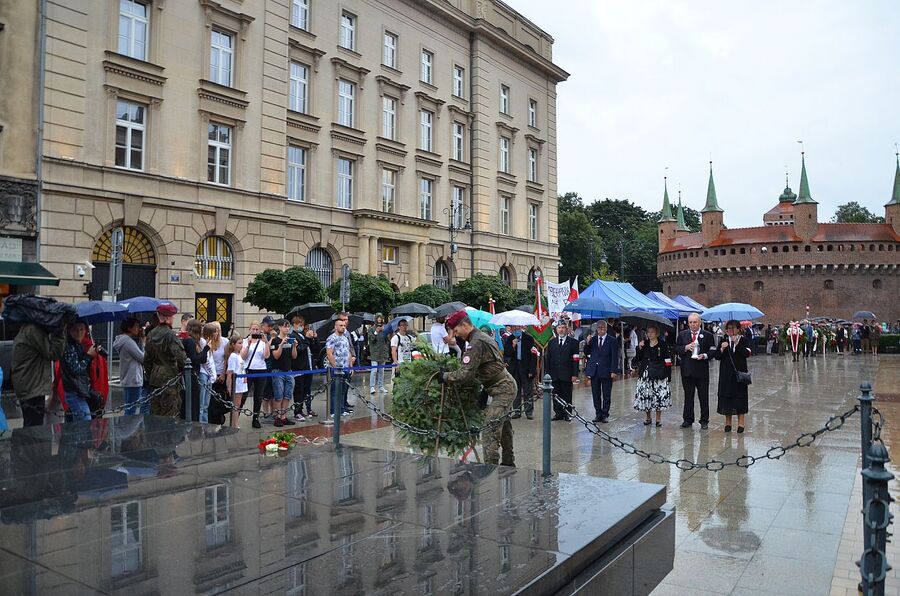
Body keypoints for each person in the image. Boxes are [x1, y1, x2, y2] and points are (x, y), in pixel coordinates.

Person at [438, 311, 516, 466]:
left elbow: (465, 374)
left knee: (490, 430)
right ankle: (508, 464)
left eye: (456, 331)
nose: (455, 335)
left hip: (503, 389)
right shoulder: (480, 337)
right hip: (501, 386)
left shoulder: (476, 342)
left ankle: (491, 469)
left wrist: (444, 376)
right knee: (504, 427)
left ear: (464, 325)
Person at [11, 319, 67, 426]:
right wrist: (59, 332)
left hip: (29, 385)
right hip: (33, 386)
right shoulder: (33, 330)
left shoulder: (28, 328)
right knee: (34, 428)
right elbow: (53, 353)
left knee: (31, 426)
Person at [144, 303, 188, 418]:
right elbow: (182, 359)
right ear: (168, 318)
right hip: (170, 379)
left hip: (155, 378)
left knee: (156, 414)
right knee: (170, 415)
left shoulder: (150, 334)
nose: (173, 319)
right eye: (172, 316)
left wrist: (151, 375)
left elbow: (147, 360)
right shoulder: (170, 335)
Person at [675, 313, 716, 430]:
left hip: (702, 371)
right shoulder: (682, 335)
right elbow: (676, 349)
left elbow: (713, 350)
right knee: (688, 396)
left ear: (700, 323)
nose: (692, 324)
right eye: (690, 322)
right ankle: (687, 419)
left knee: (703, 396)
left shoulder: (707, 335)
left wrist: (705, 355)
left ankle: (704, 420)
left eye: (695, 322)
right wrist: (685, 348)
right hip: (687, 371)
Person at [633, 323, 673, 427]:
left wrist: (668, 375)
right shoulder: (644, 344)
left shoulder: (663, 344)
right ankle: (648, 417)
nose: (650, 334)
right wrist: (639, 348)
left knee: (659, 396)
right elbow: (637, 358)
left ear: (657, 333)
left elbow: (668, 360)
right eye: (648, 332)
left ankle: (658, 419)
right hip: (646, 374)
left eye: (652, 332)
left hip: (659, 374)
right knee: (646, 395)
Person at [715, 320, 752, 433]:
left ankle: (741, 423)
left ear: (738, 329)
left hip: (739, 374)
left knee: (740, 397)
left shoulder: (743, 340)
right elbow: (717, 356)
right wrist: (722, 349)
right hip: (726, 374)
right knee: (727, 397)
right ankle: (728, 423)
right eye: (729, 328)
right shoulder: (724, 340)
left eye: (733, 328)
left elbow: (747, 354)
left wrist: (737, 343)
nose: (731, 330)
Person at [583, 320, 620, 423]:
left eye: (603, 328)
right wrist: (587, 342)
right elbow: (586, 352)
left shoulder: (612, 340)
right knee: (596, 394)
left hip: (606, 370)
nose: (601, 330)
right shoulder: (593, 339)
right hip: (594, 370)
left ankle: (605, 414)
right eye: (599, 328)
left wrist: (614, 370)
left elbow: (615, 357)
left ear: (606, 328)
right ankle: (598, 413)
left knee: (606, 394)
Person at [60, 321, 97, 422]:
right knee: (85, 421)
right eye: (75, 330)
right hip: (75, 391)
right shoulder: (69, 346)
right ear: (69, 331)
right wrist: (88, 356)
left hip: (78, 390)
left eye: (81, 329)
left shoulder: (77, 344)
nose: (79, 333)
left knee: (75, 424)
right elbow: (76, 369)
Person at [547, 321, 579, 421]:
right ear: (556, 330)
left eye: (563, 327)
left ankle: (567, 413)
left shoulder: (574, 343)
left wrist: (575, 374)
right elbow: (548, 359)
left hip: (567, 374)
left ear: (567, 329)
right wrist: (548, 374)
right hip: (554, 374)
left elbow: (575, 359)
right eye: (559, 328)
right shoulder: (551, 343)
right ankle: (558, 413)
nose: (561, 330)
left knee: (567, 395)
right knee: (556, 395)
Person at [114, 317, 147, 416]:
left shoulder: (122, 340)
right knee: (131, 409)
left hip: (127, 377)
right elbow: (143, 358)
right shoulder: (128, 342)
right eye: (136, 326)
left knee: (128, 406)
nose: (138, 329)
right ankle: (128, 426)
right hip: (133, 378)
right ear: (129, 328)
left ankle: (127, 425)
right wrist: (143, 342)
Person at [240, 320, 270, 429]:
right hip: (248, 370)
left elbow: (266, 356)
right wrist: (248, 345)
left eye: (257, 329)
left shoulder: (262, 342)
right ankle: (236, 416)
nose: (255, 331)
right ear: (250, 329)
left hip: (261, 369)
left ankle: (255, 418)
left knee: (258, 395)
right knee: (244, 394)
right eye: (253, 329)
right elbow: (242, 356)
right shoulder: (245, 341)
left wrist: (266, 343)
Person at [503, 326, 537, 420]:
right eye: (514, 329)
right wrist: (513, 346)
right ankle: (517, 411)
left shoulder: (529, 338)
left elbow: (534, 355)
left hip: (526, 369)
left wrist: (532, 370)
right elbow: (507, 353)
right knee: (516, 390)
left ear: (520, 328)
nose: (516, 330)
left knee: (528, 391)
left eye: (517, 328)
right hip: (514, 369)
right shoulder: (509, 339)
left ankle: (528, 412)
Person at [269, 319, 298, 428]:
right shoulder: (275, 341)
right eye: (285, 326)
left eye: (288, 326)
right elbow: (276, 356)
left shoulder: (290, 339)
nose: (287, 328)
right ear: (280, 327)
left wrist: (294, 346)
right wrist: (281, 345)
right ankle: (277, 417)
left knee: (287, 395)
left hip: (288, 370)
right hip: (278, 371)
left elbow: (294, 356)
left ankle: (283, 416)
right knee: (278, 395)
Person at [289, 313, 318, 419]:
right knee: (299, 389)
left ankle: (307, 409)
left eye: (302, 324)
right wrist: (307, 339)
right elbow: (299, 348)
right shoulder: (293, 336)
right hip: (299, 367)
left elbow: (314, 349)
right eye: (299, 324)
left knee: (307, 389)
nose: (301, 326)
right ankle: (298, 411)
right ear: (294, 324)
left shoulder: (302, 335)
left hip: (308, 366)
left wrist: (314, 338)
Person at [326, 316, 355, 416]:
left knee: (343, 390)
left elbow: (348, 352)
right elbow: (329, 353)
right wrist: (335, 367)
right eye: (341, 325)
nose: (343, 327)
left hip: (345, 367)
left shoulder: (345, 338)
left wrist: (351, 366)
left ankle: (342, 409)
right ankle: (333, 411)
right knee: (335, 391)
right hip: (336, 369)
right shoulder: (331, 338)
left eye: (344, 325)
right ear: (336, 326)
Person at [203, 322, 228, 424]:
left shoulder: (225, 341)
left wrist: (223, 374)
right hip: (209, 374)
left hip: (220, 373)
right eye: (215, 330)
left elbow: (226, 359)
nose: (217, 333)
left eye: (218, 330)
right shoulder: (206, 342)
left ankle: (219, 419)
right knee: (209, 400)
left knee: (219, 399)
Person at [224, 334, 247, 428]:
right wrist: (229, 387)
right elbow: (230, 372)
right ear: (233, 344)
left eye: (242, 343)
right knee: (236, 405)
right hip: (236, 384)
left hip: (241, 383)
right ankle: (234, 424)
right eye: (239, 343)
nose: (241, 345)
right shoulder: (233, 356)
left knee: (238, 404)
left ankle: (235, 423)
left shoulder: (238, 355)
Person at [368, 317, 390, 394]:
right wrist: (376, 332)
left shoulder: (384, 329)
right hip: (374, 353)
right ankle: (372, 387)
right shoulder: (371, 329)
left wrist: (386, 332)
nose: (379, 319)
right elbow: (371, 339)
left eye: (381, 318)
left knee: (381, 370)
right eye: (378, 318)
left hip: (382, 353)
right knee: (374, 370)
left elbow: (387, 341)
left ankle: (381, 386)